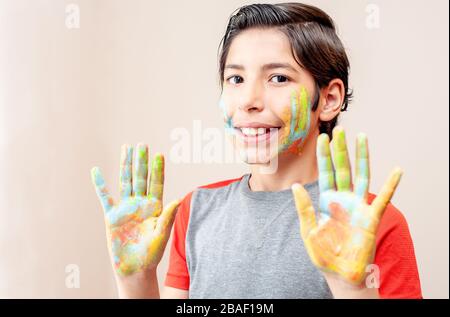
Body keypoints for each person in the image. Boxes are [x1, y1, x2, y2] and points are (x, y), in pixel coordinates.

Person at [91, 3, 422, 299]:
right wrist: (136, 280)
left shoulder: (371, 222)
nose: (248, 101)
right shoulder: (197, 211)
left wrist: (354, 289)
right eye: (235, 79)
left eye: (278, 78)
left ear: (329, 99)